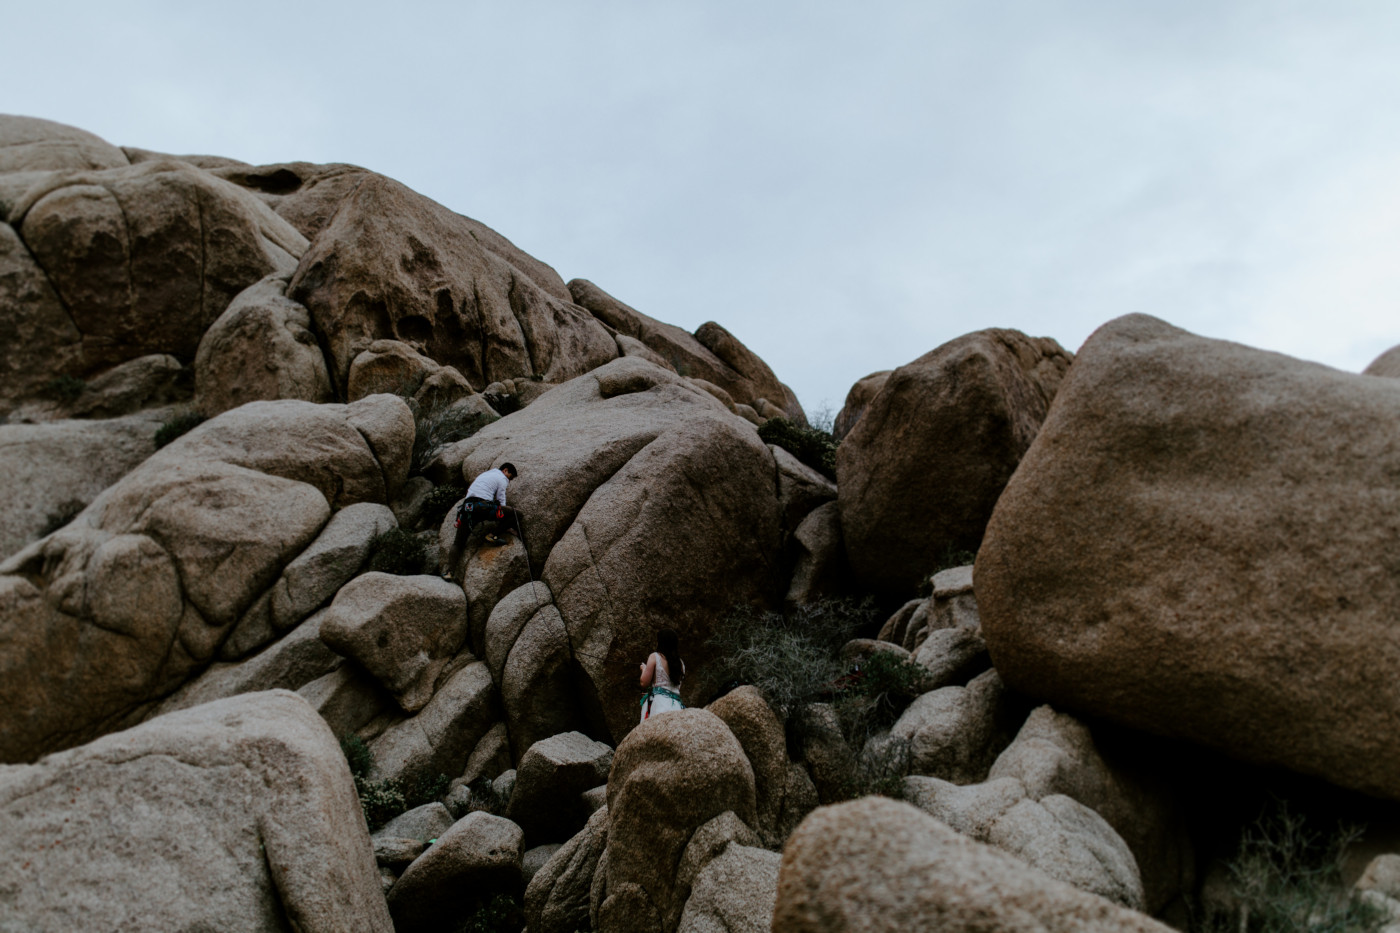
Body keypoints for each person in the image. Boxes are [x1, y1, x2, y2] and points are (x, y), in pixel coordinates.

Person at [442, 462, 521, 581]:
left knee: (458, 543)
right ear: (505, 470)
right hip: (483, 508)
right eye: (510, 477)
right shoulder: (501, 477)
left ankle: (450, 572)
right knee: (517, 514)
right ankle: (492, 535)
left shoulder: (485, 474)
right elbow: (501, 498)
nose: (509, 481)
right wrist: (504, 521)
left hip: (468, 509)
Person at [639, 628, 686, 723]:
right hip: (677, 707)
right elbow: (676, 687)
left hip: (659, 704)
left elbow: (644, 682)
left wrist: (644, 669)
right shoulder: (681, 663)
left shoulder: (654, 656)